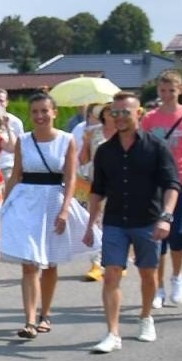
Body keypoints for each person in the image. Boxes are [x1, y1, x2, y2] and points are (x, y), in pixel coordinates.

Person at [83, 92, 180, 353]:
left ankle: (146, 317)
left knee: (148, 273)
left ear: (139, 114)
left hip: (148, 220)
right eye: (115, 113)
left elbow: (172, 184)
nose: (120, 117)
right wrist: (90, 224)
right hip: (115, 221)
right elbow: (97, 189)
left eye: (126, 112)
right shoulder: (105, 151)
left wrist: (166, 217)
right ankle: (113, 333)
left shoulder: (156, 147)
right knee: (111, 273)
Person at [0, 92, 89, 340]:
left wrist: (65, 209)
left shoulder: (67, 139)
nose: (39, 116)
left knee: (49, 263)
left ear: (54, 112)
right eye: (35, 111)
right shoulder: (23, 140)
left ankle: (45, 314)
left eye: (44, 111)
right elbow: (16, 174)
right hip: (26, 200)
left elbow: (70, 178)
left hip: (53, 200)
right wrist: (3, 207)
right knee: (29, 263)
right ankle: (29, 320)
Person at [139, 70, 182, 307]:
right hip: (156, 183)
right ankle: (159, 286)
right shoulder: (150, 118)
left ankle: (177, 277)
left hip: (180, 180)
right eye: (163, 90)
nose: (167, 94)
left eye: (172, 90)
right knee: (157, 236)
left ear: (180, 90)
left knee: (179, 233)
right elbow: (142, 147)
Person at [76, 101, 113, 282]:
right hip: (96, 184)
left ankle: (115, 261)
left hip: (120, 186)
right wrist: (85, 143)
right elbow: (83, 160)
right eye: (108, 111)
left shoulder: (125, 133)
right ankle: (97, 263)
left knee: (115, 224)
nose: (112, 115)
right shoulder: (94, 132)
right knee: (95, 223)